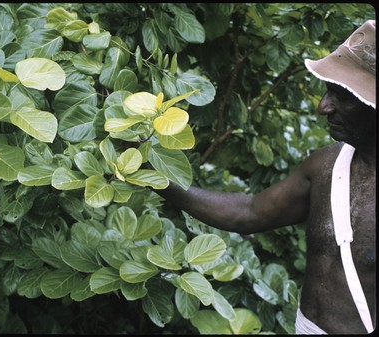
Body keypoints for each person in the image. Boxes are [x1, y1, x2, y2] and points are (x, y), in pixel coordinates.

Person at [154, 20, 376, 334]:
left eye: (345, 97)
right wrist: (154, 178)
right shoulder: (327, 165)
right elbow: (250, 213)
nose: (322, 107)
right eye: (328, 91)